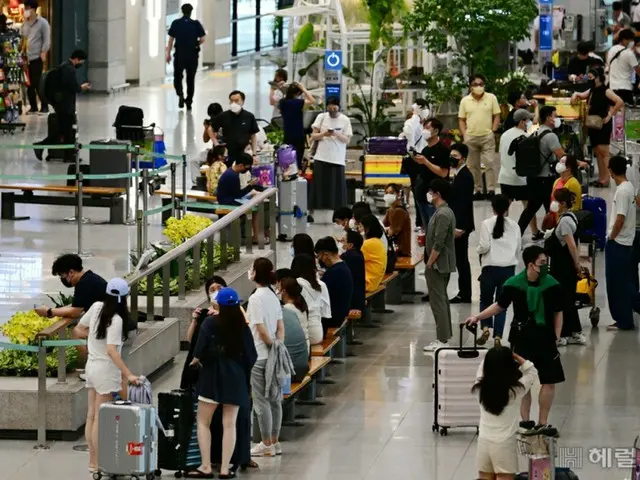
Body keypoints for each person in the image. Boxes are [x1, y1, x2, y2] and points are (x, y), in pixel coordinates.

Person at [466, 245, 565, 432]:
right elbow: (500, 305)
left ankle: (543, 422)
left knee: (549, 380)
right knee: (522, 380)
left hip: (545, 337)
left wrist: (557, 336)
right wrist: (478, 317)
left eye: (546, 262)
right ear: (530, 265)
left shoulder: (553, 285)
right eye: (542, 263)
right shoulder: (513, 284)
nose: (545, 266)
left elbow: (559, 312)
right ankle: (525, 421)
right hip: (522, 337)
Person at [188, 287, 257, 479]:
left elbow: (198, 350)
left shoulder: (210, 323)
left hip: (211, 376)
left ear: (218, 303)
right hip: (235, 379)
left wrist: (197, 361)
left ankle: (206, 466)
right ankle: (226, 469)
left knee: (203, 421)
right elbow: (252, 355)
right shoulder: (242, 326)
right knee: (230, 424)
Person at [79, 278, 140, 475]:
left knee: (91, 414)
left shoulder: (96, 307)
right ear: (124, 298)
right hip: (105, 370)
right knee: (99, 417)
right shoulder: (117, 320)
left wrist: (92, 340)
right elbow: (112, 351)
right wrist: (128, 374)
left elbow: (80, 328)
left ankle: (92, 461)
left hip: (91, 367)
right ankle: (98, 463)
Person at [472, 347, 538, 480]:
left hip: (484, 441)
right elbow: (532, 372)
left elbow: (482, 367)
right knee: (504, 477)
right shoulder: (515, 391)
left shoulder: (479, 389)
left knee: (484, 477)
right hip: (504, 444)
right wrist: (514, 355)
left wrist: (493, 356)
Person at [35, 254, 107, 369]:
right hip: (111, 321)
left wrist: (49, 312)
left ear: (71, 272)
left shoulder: (84, 284)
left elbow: (75, 311)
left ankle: (91, 367)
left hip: (113, 325)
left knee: (77, 333)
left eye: (62, 275)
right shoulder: (89, 278)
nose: (62, 279)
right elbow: (76, 305)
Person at [246, 258, 284, 457]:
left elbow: (259, 328)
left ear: (255, 273)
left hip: (259, 355)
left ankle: (266, 443)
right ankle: (275, 442)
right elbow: (280, 326)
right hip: (274, 356)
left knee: (261, 402)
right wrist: (277, 346)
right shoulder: (273, 295)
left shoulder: (255, 298)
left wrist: (269, 345)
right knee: (275, 400)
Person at [477, 194, 521, 345]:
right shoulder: (515, 225)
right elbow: (518, 248)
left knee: (486, 300)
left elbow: (484, 246)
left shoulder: (486, 223)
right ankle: (498, 336)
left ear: (492, 207)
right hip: (508, 269)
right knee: (502, 303)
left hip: (490, 268)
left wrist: (478, 251)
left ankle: (485, 329)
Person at [517, 106, 566, 237]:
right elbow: (562, 156)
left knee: (531, 209)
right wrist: (579, 163)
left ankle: (516, 234)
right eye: (555, 116)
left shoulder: (536, 132)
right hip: (546, 179)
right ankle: (553, 236)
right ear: (549, 118)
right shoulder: (550, 136)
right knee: (551, 208)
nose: (557, 119)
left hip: (533, 177)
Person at [571, 68, 624, 188]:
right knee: (598, 153)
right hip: (593, 125)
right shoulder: (592, 90)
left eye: (591, 78)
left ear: (598, 77)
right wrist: (575, 94)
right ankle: (601, 178)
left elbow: (619, 101)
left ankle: (607, 179)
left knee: (604, 152)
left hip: (603, 125)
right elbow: (581, 95)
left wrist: (610, 115)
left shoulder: (606, 91)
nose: (589, 80)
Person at [546, 188, 586, 347]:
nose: (552, 203)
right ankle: (571, 332)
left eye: (555, 200)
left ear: (562, 203)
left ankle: (569, 333)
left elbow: (571, 245)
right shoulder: (570, 217)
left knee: (564, 300)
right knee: (567, 299)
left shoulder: (565, 222)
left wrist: (577, 265)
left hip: (563, 268)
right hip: (564, 267)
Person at [34, 49, 89, 162]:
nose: (81, 64)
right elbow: (73, 87)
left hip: (60, 104)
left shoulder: (64, 66)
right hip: (65, 105)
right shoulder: (69, 69)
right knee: (67, 132)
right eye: (81, 62)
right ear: (77, 59)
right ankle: (66, 155)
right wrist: (82, 87)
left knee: (62, 131)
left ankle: (64, 154)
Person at [422, 179, 456, 351]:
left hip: (437, 265)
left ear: (437, 194)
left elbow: (439, 242)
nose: (428, 194)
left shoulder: (443, 214)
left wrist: (429, 262)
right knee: (441, 300)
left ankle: (442, 340)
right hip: (439, 263)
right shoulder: (443, 212)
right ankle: (445, 336)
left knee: (438, 302)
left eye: (431, 191)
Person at [308, 97, 353, 222]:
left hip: (337, 158)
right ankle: (312, 213)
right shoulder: (321, 117)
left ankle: (338, 215)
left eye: (334, 109)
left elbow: (347, 140)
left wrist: (336, 133)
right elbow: (313, 136)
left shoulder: (345, 120)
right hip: (321, 157)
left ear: (339, 107)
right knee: (318, 187)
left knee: (337, 190)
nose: (332, 111)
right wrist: (324, 134)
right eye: (330, 109)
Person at [606, 155, 637, 331]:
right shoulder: (629, 187)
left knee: (618, 283)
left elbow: (620, 218)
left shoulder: (623, 191)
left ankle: (624, 320)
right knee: (622, 282)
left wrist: (612, 237)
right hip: (624, 241)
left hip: (619, 242)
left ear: (611, 170)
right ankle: (623, 318)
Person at [459, 74, 501, 199]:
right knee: (473, 165)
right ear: (470, 86)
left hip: (487, 136)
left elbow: (497, 116)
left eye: (481, 84)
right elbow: (461, 119)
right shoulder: (465, 101)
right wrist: (464, 134)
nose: (478, 86)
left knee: (489, 163)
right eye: (475, 84)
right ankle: (477, 190)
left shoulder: (491, 98)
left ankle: (491, 190)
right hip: (471, 137)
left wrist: (493, 131)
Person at [499, 109, 541, 237]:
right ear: (522, 122)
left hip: (505, 176)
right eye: (528, 120)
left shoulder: (504, 135)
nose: (529, 122)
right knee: (529, 207)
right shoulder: (527, 138)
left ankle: (502, 232)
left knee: (504, 208)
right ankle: (534, 231)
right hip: (521, 178)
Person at [165, 3, 205, 110]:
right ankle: (189, 101)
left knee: (177, 77)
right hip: (192, 56)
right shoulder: (195, 24)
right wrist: (195, 44)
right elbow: (202, 39)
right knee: (190, 79)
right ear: (191, 12)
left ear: (182, 11)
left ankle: (180, 94)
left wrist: (168, 53)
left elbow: (171, 40)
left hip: (179, 55)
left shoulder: (176, 23)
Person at [449, 143, 475, 304]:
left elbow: (464, 204)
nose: (452, 159)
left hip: (462, 225)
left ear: (463, 159)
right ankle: (464, 292)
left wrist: (461, 227)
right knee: (460, 259)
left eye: (455, 157)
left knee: (462, 260)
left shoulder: (465, 176)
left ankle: (465, 293)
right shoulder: (459, 174)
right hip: (459, 223)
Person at [412, 118, 450, 227]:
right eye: (424, 128)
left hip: (435, 197)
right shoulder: (425, 150)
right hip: (422, 195)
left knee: (436, 228)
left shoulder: (443, 150)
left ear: (436, 131)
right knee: (427, 229)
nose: (424, 131)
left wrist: (426, 161)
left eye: (428, 128)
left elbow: (443, 173)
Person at [400, 99, 430, 229]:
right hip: (414, 159)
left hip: (426, 158)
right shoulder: (411, 122)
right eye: (419, 108)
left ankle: (426, 220)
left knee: (425, 191)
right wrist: (415, 116)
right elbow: (409, 134)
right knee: (418, 190)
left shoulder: (429, 124)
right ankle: (420, 221)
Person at [314, 236, 353, 334]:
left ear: (326, 254)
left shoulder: (334, 272)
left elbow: (319, 293)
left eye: (319, 256)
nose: (319, 260)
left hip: (332, 318)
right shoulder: (342, 267)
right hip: (341, 312)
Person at [211, 91, 260, 166]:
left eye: (236, 100)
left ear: (242, 101)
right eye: (231, 100)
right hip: (228, 154)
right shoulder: (223, 116)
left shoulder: (249, 116)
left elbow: (253, 136)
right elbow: (210, 128)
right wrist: (216, 143)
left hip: (244, 153)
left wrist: (254, 154)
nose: (233, 103)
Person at [291, 254, 328, 346]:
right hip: (318, 330)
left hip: (305, 332)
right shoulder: (321, 284)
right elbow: (325, 313)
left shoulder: (296, 284)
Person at [21, 0, 50, 115]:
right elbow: (23, 38)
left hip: (37, 57)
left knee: (37, 83)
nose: (26, 11)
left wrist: (44, 52)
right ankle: (33, 106)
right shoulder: (25, 24)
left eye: (28, 8)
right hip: (26, 58)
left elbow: (47, 39)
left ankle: (44, 105)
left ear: (33, 9)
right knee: (28, 83)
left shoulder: (42, 23)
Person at [278, 277, 310, 381]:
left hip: (299, 354)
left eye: (278, 289)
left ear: (284, 291)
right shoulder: (300, 305)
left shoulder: (287, 309)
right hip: (305, 348)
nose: (277, 292)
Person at [279, 82, 315, 170]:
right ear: (298, 93)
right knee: (297, 158)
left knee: (287, 157)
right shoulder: (299, 102)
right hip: (299, 134)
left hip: (288, 134)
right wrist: (303, 88)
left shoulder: (282, 102)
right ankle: (297, 173)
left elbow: (284, 98)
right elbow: (312, 101)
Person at [606, 29, 640, 106]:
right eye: (631, 40)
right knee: (627, 115)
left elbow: (609, 66)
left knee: (615, 114)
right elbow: (638, 70)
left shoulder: (611, 49)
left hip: (612, 88)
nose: (632, 43)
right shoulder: (629, 53)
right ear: (624, 40)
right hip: (625, 89)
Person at [359, 214, 388, 293]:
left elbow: (354, 259)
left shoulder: (368, 244)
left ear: (367, 229)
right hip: (375, 280)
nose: (359, 229)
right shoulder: (378, 241)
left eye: (361, 226)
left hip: (367, 283)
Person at [341, 230, 366, 314]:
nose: (342, 243)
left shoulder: (349, 256)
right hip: (358, 296)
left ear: (350, 245)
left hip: (353, 301)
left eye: (344, 241)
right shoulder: (359, 253)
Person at [383, 183, 411, 257]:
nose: (388, 196)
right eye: (386, 193)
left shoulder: (399, 211)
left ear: (398, 194)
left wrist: (386, 229)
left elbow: (391, 232)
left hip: (401, 253)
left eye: (391, 193)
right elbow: (383, 226)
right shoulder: (390, 210)